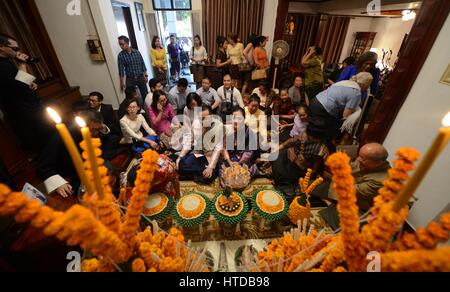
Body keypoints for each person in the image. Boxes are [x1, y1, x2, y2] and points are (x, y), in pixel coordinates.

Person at [0, 33, 53, 152]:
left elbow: (17, 79)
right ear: (1, 47)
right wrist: (22, 64)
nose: (17, 51)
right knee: (42, 142)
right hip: (22, 112)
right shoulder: (1, 65)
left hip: (30, 106)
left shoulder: (7, 61)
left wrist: (30, 82)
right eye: (15, 48)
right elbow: (19, 86)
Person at [37, 110, 106, 198]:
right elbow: (43, 167)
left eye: (99, 129)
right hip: (71, 177)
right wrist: (59, 184)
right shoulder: (61, 138)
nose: (97, 134)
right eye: (95, 130)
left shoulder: (93, 132)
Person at [325, 143, 390, 212]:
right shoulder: (364, 161)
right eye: (359, 156)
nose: (358, 160)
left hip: (357, 207)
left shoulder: (383, 180)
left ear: (378, 162)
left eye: (363, 159)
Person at [272, 122, 331, 198]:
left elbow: (314, 171)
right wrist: (278, 148)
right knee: (278, 157)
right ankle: (283, 183)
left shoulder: (321, 148)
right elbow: (290, 142)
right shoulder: (304, 135)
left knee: (289, 177)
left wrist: (304, 180)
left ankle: (288, 184)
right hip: (291, 159)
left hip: (302, 170)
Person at [309, 72, 373, 141]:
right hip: (324, 108)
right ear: (365, 85)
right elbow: (345, 115)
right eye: (368, 85)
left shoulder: (346, 83)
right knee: (326, 132)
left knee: (311, 129)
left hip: (315, 101)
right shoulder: (356, 92)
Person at [177, 105, 223, 184]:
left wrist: (210, 167)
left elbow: (218, 149)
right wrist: (180, 156)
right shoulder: (196, 123)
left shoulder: (219, 126)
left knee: (208, 177)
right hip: (198, 153)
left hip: (210, 156)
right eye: (201, 118)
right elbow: (189, 141)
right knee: (181, 165)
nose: (203, 121)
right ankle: (198, 173)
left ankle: (197, 174)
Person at [221, 106, 260, 184]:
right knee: (224, 174)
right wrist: (230, 162)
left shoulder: (249, 132)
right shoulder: (227, 130)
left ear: (244, 119)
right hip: (231, 158)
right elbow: (223, 147)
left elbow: (249, 153)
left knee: (241, 176)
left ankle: (253, 169)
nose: (236, 121)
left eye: (239, 119)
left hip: (246, 159)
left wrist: (238, 165)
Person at [88, 92, 121, 159]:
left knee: (106, 153)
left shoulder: (107, 108)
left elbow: (113, 123)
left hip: (110, 132)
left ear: (100, 101)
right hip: (96, 135)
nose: (90, 102)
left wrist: (104, 128)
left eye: (93, 101)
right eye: (89, 100)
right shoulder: (88, 110)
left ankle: (118, 151)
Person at [118, 35, 148, 104]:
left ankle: (147, 109)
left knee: (145, 94)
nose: (121, 46)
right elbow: (121, 70)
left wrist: (145, 76)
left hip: (140, 76)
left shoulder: (137, 52)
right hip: (130, 78)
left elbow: (142, 64)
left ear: (127, 43)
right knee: (129, 96)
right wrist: (121, 82)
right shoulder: (120, 55)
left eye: (122, 44)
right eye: (120, 44)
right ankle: (134, 108)